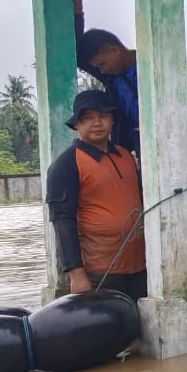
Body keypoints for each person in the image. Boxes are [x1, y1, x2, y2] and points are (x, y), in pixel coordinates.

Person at [71, 0, 187, 204]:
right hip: (137, 148)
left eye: (102, 63)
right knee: (142, 202)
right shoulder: (110, 75)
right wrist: (78, 14)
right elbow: (77, 57)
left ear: (115, 50)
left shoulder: (161, 66)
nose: (101, 70)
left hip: (180, 143)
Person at [46, 90, 147, 301]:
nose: (97, 123)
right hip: (100, 272)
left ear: (112, 120)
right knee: (108, 331)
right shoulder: (66, 164)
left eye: (102, 116)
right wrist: (76, 274)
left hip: (140, 266)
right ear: (76, 124)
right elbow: (62, 221)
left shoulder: (126, 156)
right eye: (88, 118)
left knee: (140, 330)